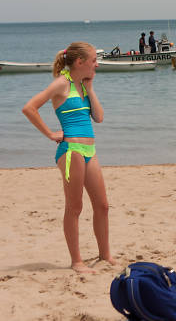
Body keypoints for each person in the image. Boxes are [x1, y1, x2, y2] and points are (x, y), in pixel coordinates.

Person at [22, 42, 115, 273]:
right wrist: (50, 133)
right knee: (75, 207)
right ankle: (76, 261)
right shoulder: (61, 84)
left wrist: (91, 89)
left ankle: (104, 254)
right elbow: (29, 108)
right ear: (80, 62)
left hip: (89, 151)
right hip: (71, 151)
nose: (97, 64)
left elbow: (99, 118)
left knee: (102, 206)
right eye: (94, 60)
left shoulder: (82, 86)